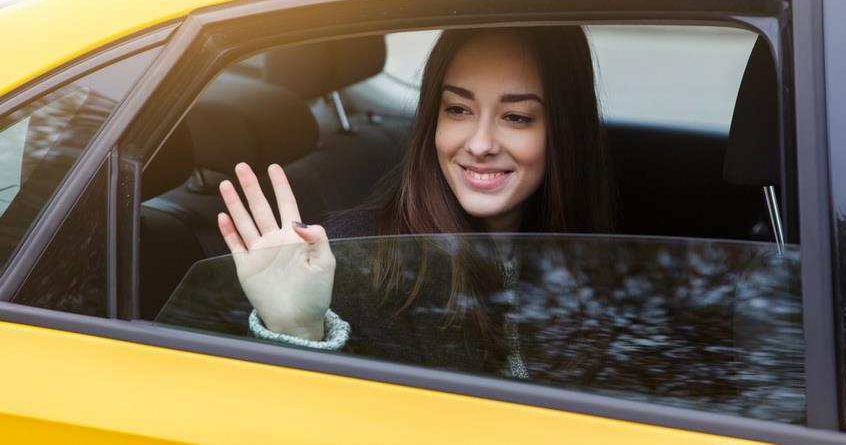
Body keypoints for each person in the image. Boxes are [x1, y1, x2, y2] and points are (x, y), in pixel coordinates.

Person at [216, 26, 617, 372]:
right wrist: (297, 331)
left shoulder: (595, 259)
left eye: (516, 117)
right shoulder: (350, 261)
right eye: (458, 109)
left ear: (563, 131)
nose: (480, 144)